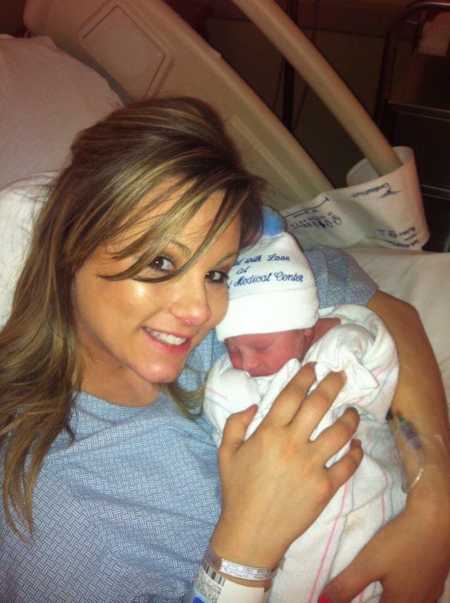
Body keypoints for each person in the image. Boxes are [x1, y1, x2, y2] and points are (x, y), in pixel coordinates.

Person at [0, 97, 448, 603]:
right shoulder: (54, 511)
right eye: (162, 263)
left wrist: (434, 505)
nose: (201, 310)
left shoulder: (247, 305)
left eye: (215, 270)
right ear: (68, 245)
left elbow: (390, 313)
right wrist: (244, 551)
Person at [204, 219, 405, 601]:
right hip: (272, 515)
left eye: (260, 349)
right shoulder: (234, 376)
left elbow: (375, 371)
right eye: (233, 349)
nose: (245, 363)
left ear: (306, 331)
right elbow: (223, 413)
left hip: (356, 489)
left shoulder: (340, 344)